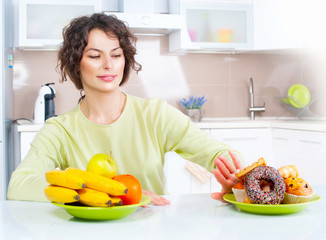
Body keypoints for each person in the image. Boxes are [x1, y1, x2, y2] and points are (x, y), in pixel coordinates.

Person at [7, 13, 243, 205]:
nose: (108, 64)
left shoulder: (155, 114)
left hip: (154, 229)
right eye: (94, 56)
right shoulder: (60, 130)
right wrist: (105, 193)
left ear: (125, 60)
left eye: (116, 54)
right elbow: (19, 185)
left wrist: (234, 177)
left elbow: (219, 153)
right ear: (76, 64)